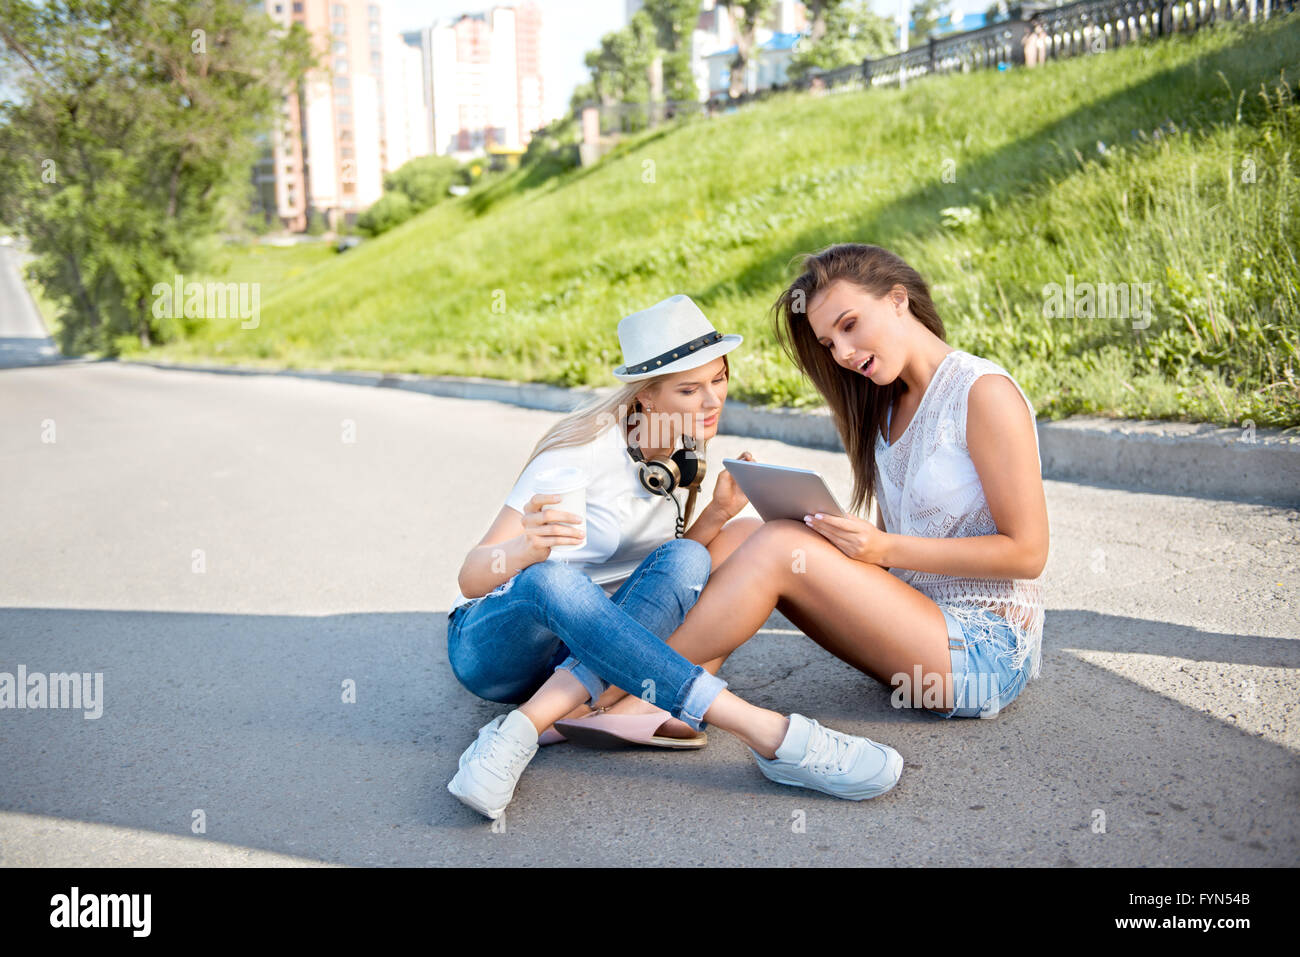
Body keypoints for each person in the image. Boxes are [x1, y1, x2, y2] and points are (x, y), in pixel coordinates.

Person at [447, 293, 907, 819]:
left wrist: (717, 513)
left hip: (587, 649)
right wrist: (525, 547)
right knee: (554, 581)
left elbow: (672, 559)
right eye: (689, 389)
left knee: (688, 559)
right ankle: (768, 732)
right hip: (499, 646)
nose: (712, 401)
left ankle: (522, 729)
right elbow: (470, 577)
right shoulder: (575, 456)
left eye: (719, 379)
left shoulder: (683, 453)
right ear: (646, 398)